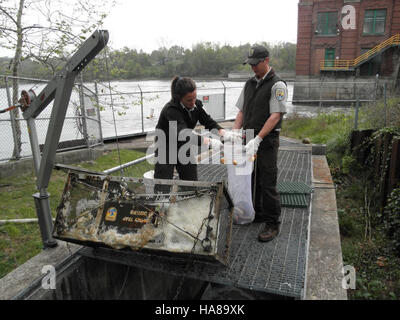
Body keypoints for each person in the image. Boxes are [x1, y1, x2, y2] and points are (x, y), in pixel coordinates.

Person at [233, 45, 287, 242]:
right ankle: (257, 211)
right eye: (251, 64)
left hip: (266, 141)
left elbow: (275, 116)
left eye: (256, 64)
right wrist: (234, 133)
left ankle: (273, 223)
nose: (253, 68)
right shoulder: (249, 84)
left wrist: (258, 139)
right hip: (247, 139)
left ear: (266, 60)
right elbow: (241, 112)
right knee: (249, 177)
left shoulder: (277, 85)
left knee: (267, 180)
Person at [154, 76, 233, 187]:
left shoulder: (197, 105)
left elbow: (208, 122)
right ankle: (161, 202)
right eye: (189, 100)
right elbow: (184, 133)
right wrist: (209, 142)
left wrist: (223, 133)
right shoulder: (171, 110)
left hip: (182, 145)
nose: (193, 102)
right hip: (165, 146)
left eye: (194, 98)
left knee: (191, 180)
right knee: (163, 183)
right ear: (179, 98)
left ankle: (189, 199)